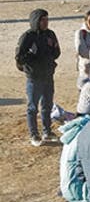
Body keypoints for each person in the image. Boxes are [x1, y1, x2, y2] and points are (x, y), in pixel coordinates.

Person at [16, 8, 60, 146]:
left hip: (48, 75)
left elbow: (57, 53)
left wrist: (52, 48)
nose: (45, 22)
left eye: (47, 19)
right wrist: (32, 56)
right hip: (34, 78)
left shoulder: (50, 34)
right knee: (33, 107)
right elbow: (19, 57)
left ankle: (47, 131)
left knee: (47, 105)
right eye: (42, 19)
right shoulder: (28, 36)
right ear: (36, 21)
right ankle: (34, 134)